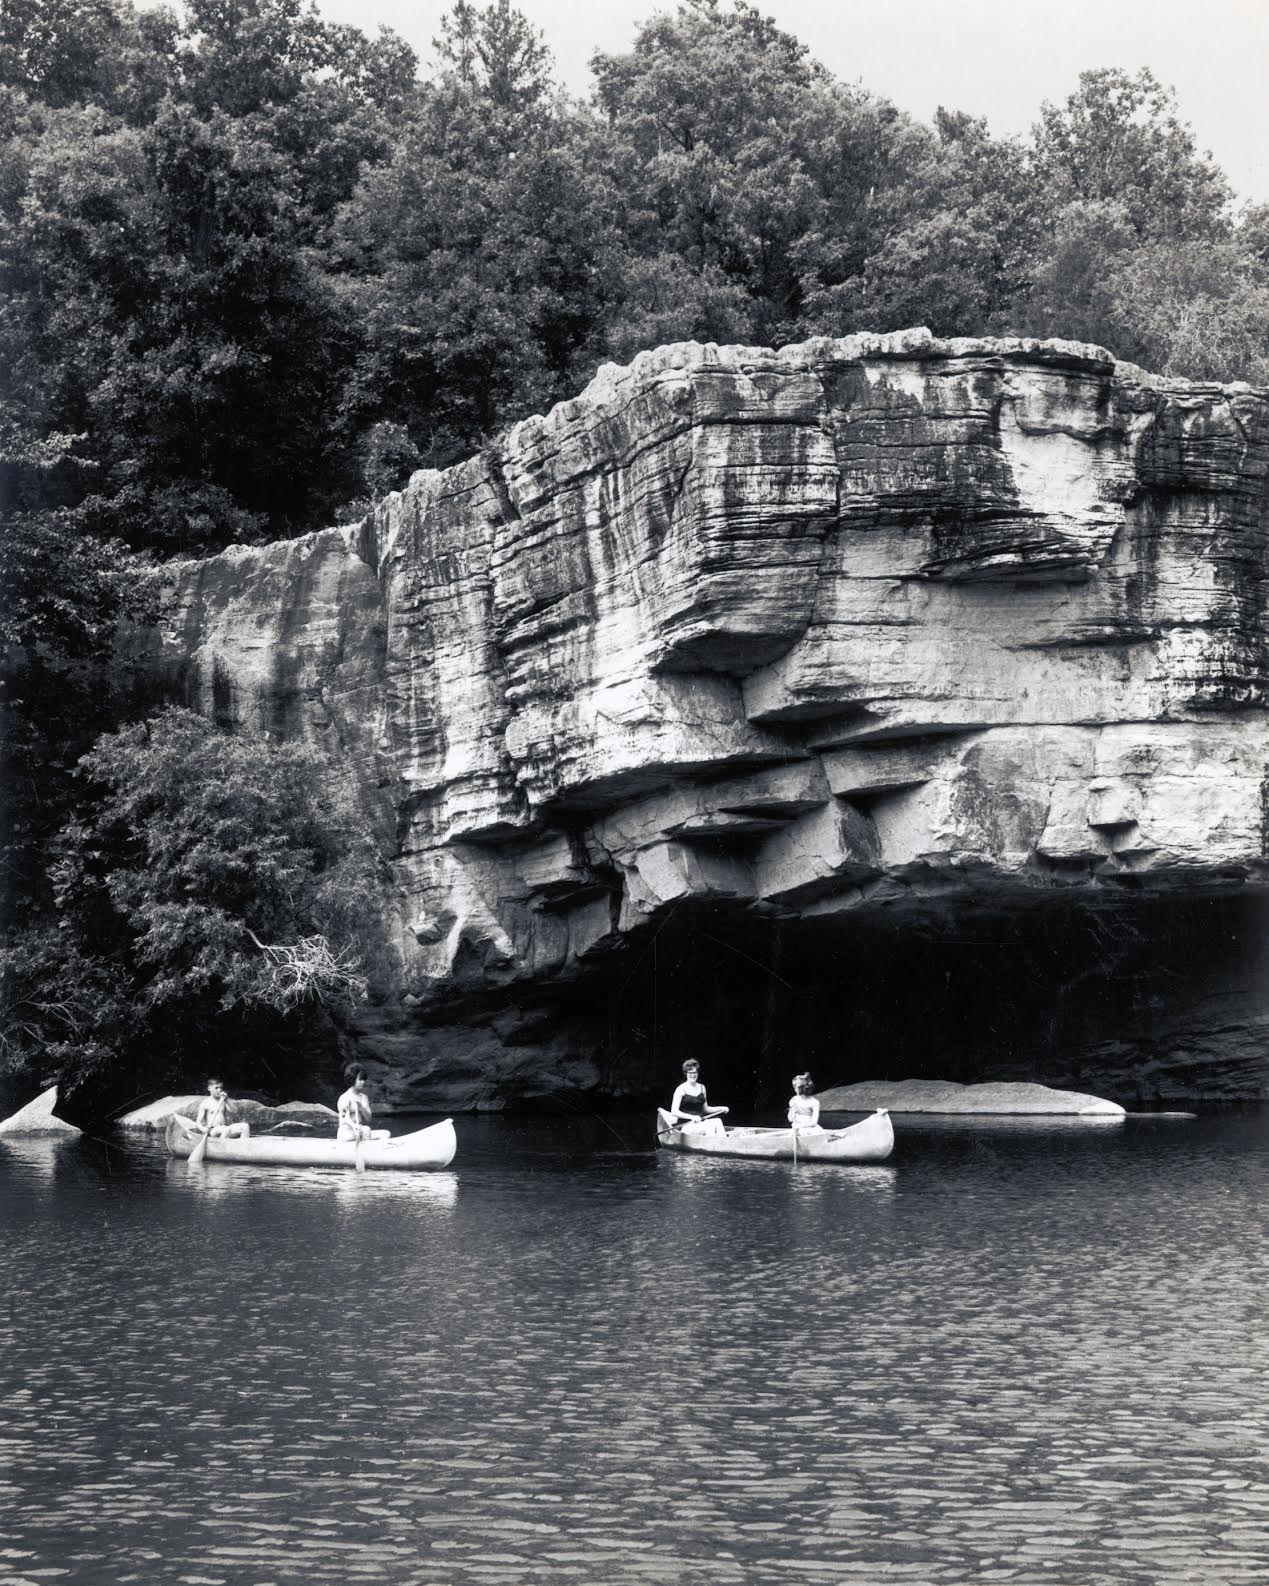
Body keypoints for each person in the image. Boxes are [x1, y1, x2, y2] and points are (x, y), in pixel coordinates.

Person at [667, 1060, 728, 1136]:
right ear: (686, 1073)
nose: (693, 1075)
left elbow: (705, 1109)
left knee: (718, 1121)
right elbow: (674, 1111)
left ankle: (722, 1141)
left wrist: (721, 1108)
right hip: (686, 1125)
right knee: (711, 1126)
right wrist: (692, 1117)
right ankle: (713, 1142)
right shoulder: (680, 1089)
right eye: (690, 1073)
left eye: (695, 1072)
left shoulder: (702, 1087)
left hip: (700, 1122)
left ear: (698, 1073)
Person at [181, 1077, 251, 1140]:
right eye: (216, 1088)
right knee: (226, 1129)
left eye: (221, 1088)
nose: (219, 1090)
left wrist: (226, 1100)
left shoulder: (223, 1100)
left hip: (225, 1128)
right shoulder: (205, 1103)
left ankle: (243, 1146)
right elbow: (198, 1122)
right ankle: (220, 1147)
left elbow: (235, 1111)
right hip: (213, 1130)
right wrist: (203, 1129)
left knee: (245, 1126)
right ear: (209, 1088)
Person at [337, 1066, 388, 1142]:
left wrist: (361, 1108)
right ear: (352, 1079)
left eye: (363, 1079)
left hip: (360, 1129)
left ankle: (371, 1147)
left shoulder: (364, 1098)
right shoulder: (345, 1097)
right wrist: (355, 1126)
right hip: (346, 1132)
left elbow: (368, 1119)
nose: (363, 1082)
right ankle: (367, 1148)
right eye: (360, 1079)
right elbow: (345, 1118)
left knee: (385, 1134)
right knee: (366, 1130)